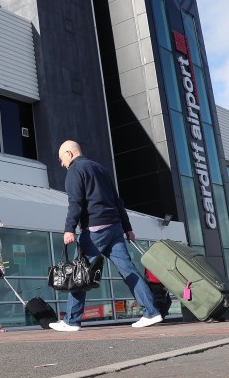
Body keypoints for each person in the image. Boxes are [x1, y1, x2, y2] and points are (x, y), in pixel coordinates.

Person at [49, 140, 162, 332]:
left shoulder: (76, 170)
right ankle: (152, 312)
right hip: (115, 227)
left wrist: (69, 228)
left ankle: (71, 320)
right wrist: (127, 228)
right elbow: (118, 202)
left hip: (95, 230)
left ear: (69, 153)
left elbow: (75, 202)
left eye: (61, 159)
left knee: (78, 272)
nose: (62, 164)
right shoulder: (101, 169)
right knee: (128, 270)